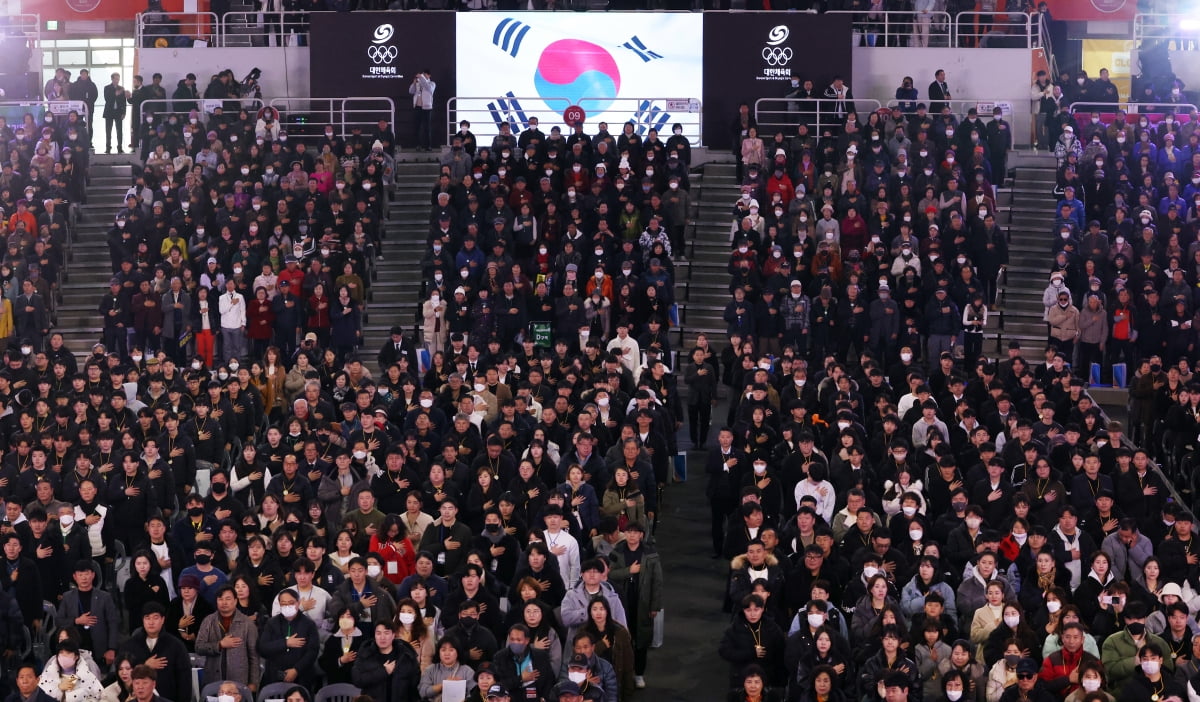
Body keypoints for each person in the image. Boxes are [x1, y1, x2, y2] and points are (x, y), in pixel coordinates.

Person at [196, 585, 262, 691]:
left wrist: (253, 682)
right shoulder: (208, 621)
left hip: (239, 681)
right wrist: (220, 645)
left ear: (235, 601)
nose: (224, 602)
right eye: (220, 599)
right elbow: (199, 647)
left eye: (228, 599)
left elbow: (254, 656)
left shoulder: (247, 623)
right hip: (213, 680)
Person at [258, 588, 321, 688]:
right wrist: (285, 643)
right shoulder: (271, 623)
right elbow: (263, 648)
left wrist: (296, 669)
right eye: (283, 603)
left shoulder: (308, 624)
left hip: (302, 677)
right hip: (274, 676)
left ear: (298, 603)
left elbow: (313, 651)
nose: (287, 606)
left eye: (291, 603)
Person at [353, 621, 421, 702]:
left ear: (393, 635)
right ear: (374, 636)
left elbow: (414, 683)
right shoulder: (366, 653)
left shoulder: (405, 654)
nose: (382, 637)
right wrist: (383, 672)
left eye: (386, 633)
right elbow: (357, 680)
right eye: (378, 633)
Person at [409, 70, 436, 152]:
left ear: (429, 75)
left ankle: (428, 146)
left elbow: (428, 88)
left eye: (425, 75)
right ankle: (418, 145)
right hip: (417, 107)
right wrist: (414, 83)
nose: (423, 76)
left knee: (426, 128)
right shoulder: (418, 83)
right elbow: (411, 91)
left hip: (427, 108)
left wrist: (421, 77)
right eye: (422, 75)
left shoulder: (432, 84)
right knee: (417, 127)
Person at [103, 72, 127, 154]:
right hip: (109, 112)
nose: (117, 80)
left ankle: (120, 147)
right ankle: (108, 147)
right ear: (112, 79)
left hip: (118, 112)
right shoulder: (107, 88)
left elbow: (124, 102)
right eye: (115, 79)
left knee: (119, 130)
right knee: (108, 131)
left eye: (118, 79)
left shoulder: (121, 88)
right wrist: (115, 94)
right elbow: (107, 99)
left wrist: (124, 112)